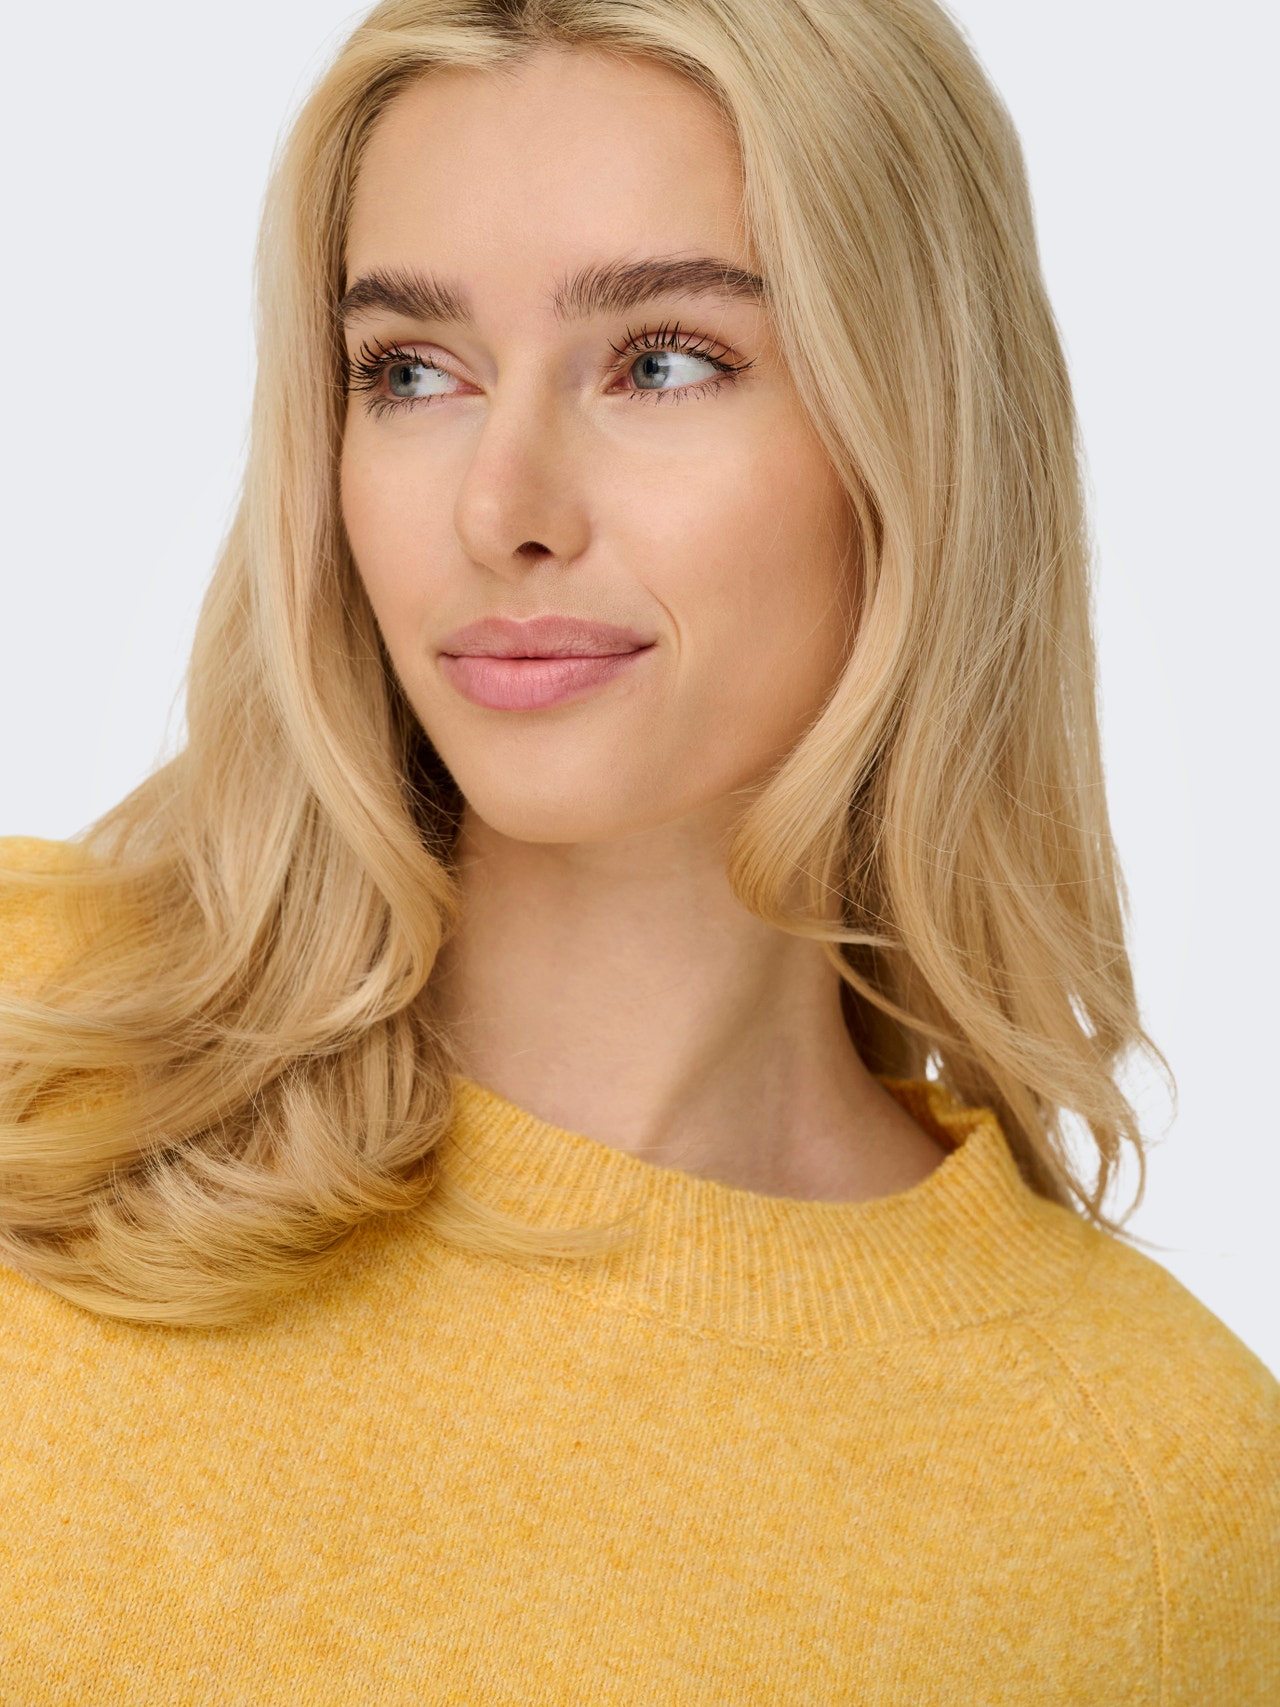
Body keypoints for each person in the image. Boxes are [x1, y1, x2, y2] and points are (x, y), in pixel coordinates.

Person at [0, 0, 1275, 1697]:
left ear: (920, 433)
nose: (501, 507)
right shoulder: (30, 1030)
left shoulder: (1157, 1493)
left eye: (664, 360)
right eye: (412, 371)